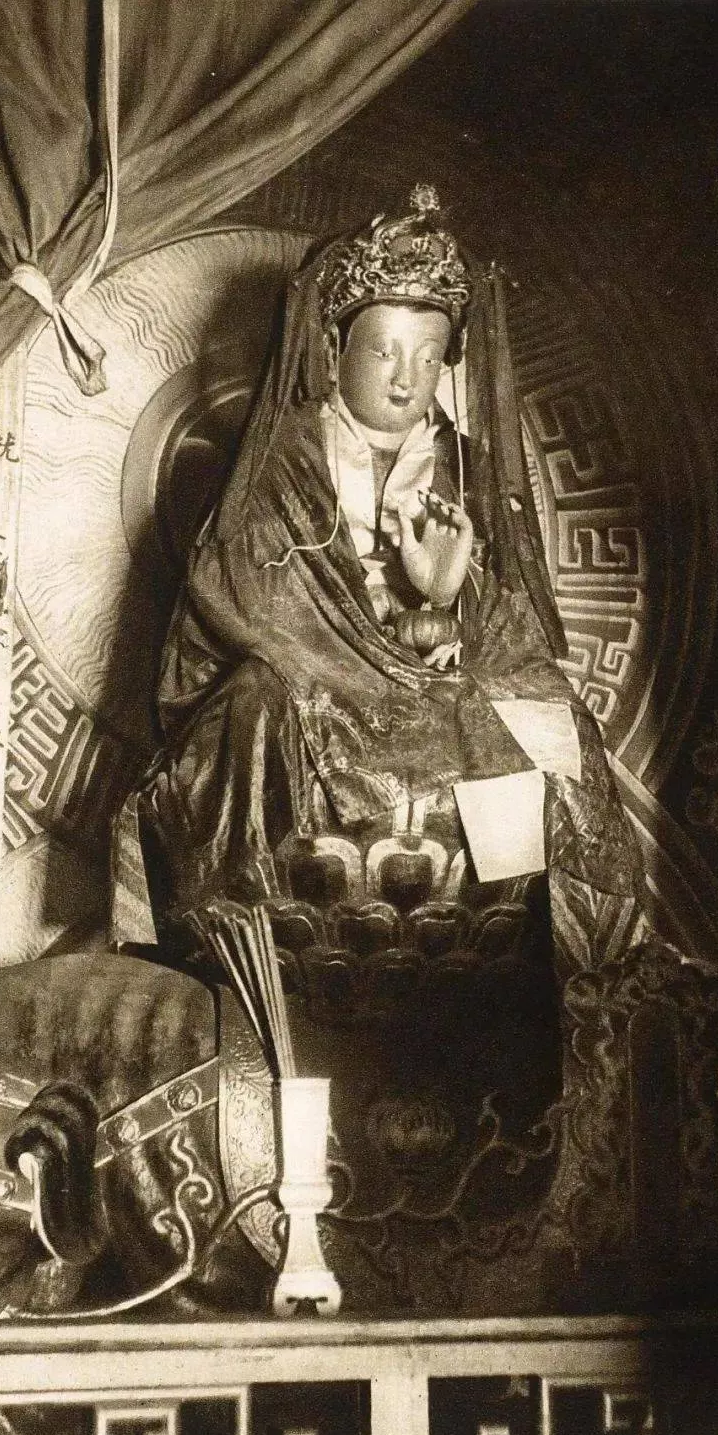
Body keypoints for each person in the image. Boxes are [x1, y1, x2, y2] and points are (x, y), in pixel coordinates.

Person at [117, 186, 646, 975]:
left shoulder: (465, 464)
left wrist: (445, 598)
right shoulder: (284, 459)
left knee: (552, 717)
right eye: (385, 352)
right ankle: (265, 939)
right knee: (255, 703)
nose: (406, 379)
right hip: (319, 683)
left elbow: (516, 626)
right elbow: (236, 596)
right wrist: (374, 638)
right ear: (335, 350)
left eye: (428, 357)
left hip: (440, 682)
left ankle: (547, 954)